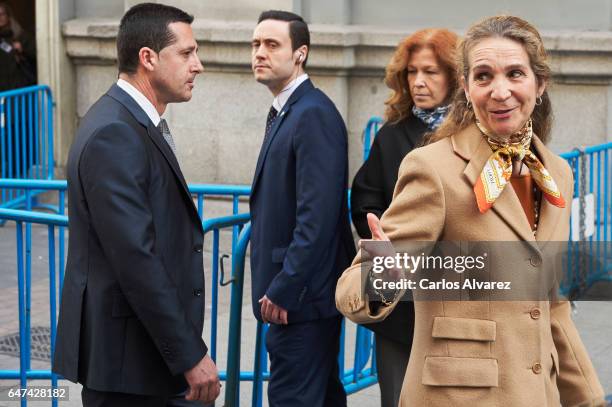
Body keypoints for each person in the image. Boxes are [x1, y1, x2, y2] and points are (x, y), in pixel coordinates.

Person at [336, 15, 606, 406]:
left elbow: (551, 303)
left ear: (539, 83)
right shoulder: (432, 168)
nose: (500, 92)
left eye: (515, 74)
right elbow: (352, 289)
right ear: (465, 86)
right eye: (483, 76)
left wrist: (588, 397)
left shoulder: (557, 174)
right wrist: (385, 269)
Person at [53, 4, 220, 406]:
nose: (197, 65)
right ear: (148, 58)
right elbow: (136, 259)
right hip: (129, 370)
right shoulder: (115, 131)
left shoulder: (132, 122)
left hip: (142, 362)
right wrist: (190, 354)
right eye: (186, 53)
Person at [249, 10, 356, 407]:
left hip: (300, 301)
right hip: (298, 299)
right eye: (256, 44)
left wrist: (285, 288)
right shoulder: (287, 109)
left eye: (272, 44)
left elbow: (319, 216)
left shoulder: (313, 114)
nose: (260, 52)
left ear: (300, 53)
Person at [350, 28, 458, 407]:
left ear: (454, 75)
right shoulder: (392, 134)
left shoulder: (473, 135)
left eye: (430, 72)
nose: (419, 82)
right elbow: (364, 198)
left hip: (457, 296)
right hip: (399, 300)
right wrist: (379, 234)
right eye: (412, 72)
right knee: (396, 396)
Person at [0, 1, 36, 91]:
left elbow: (37, 55)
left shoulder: (20, 35)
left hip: (19, 88)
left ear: (8, 16)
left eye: (2, 14)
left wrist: (22, 50)